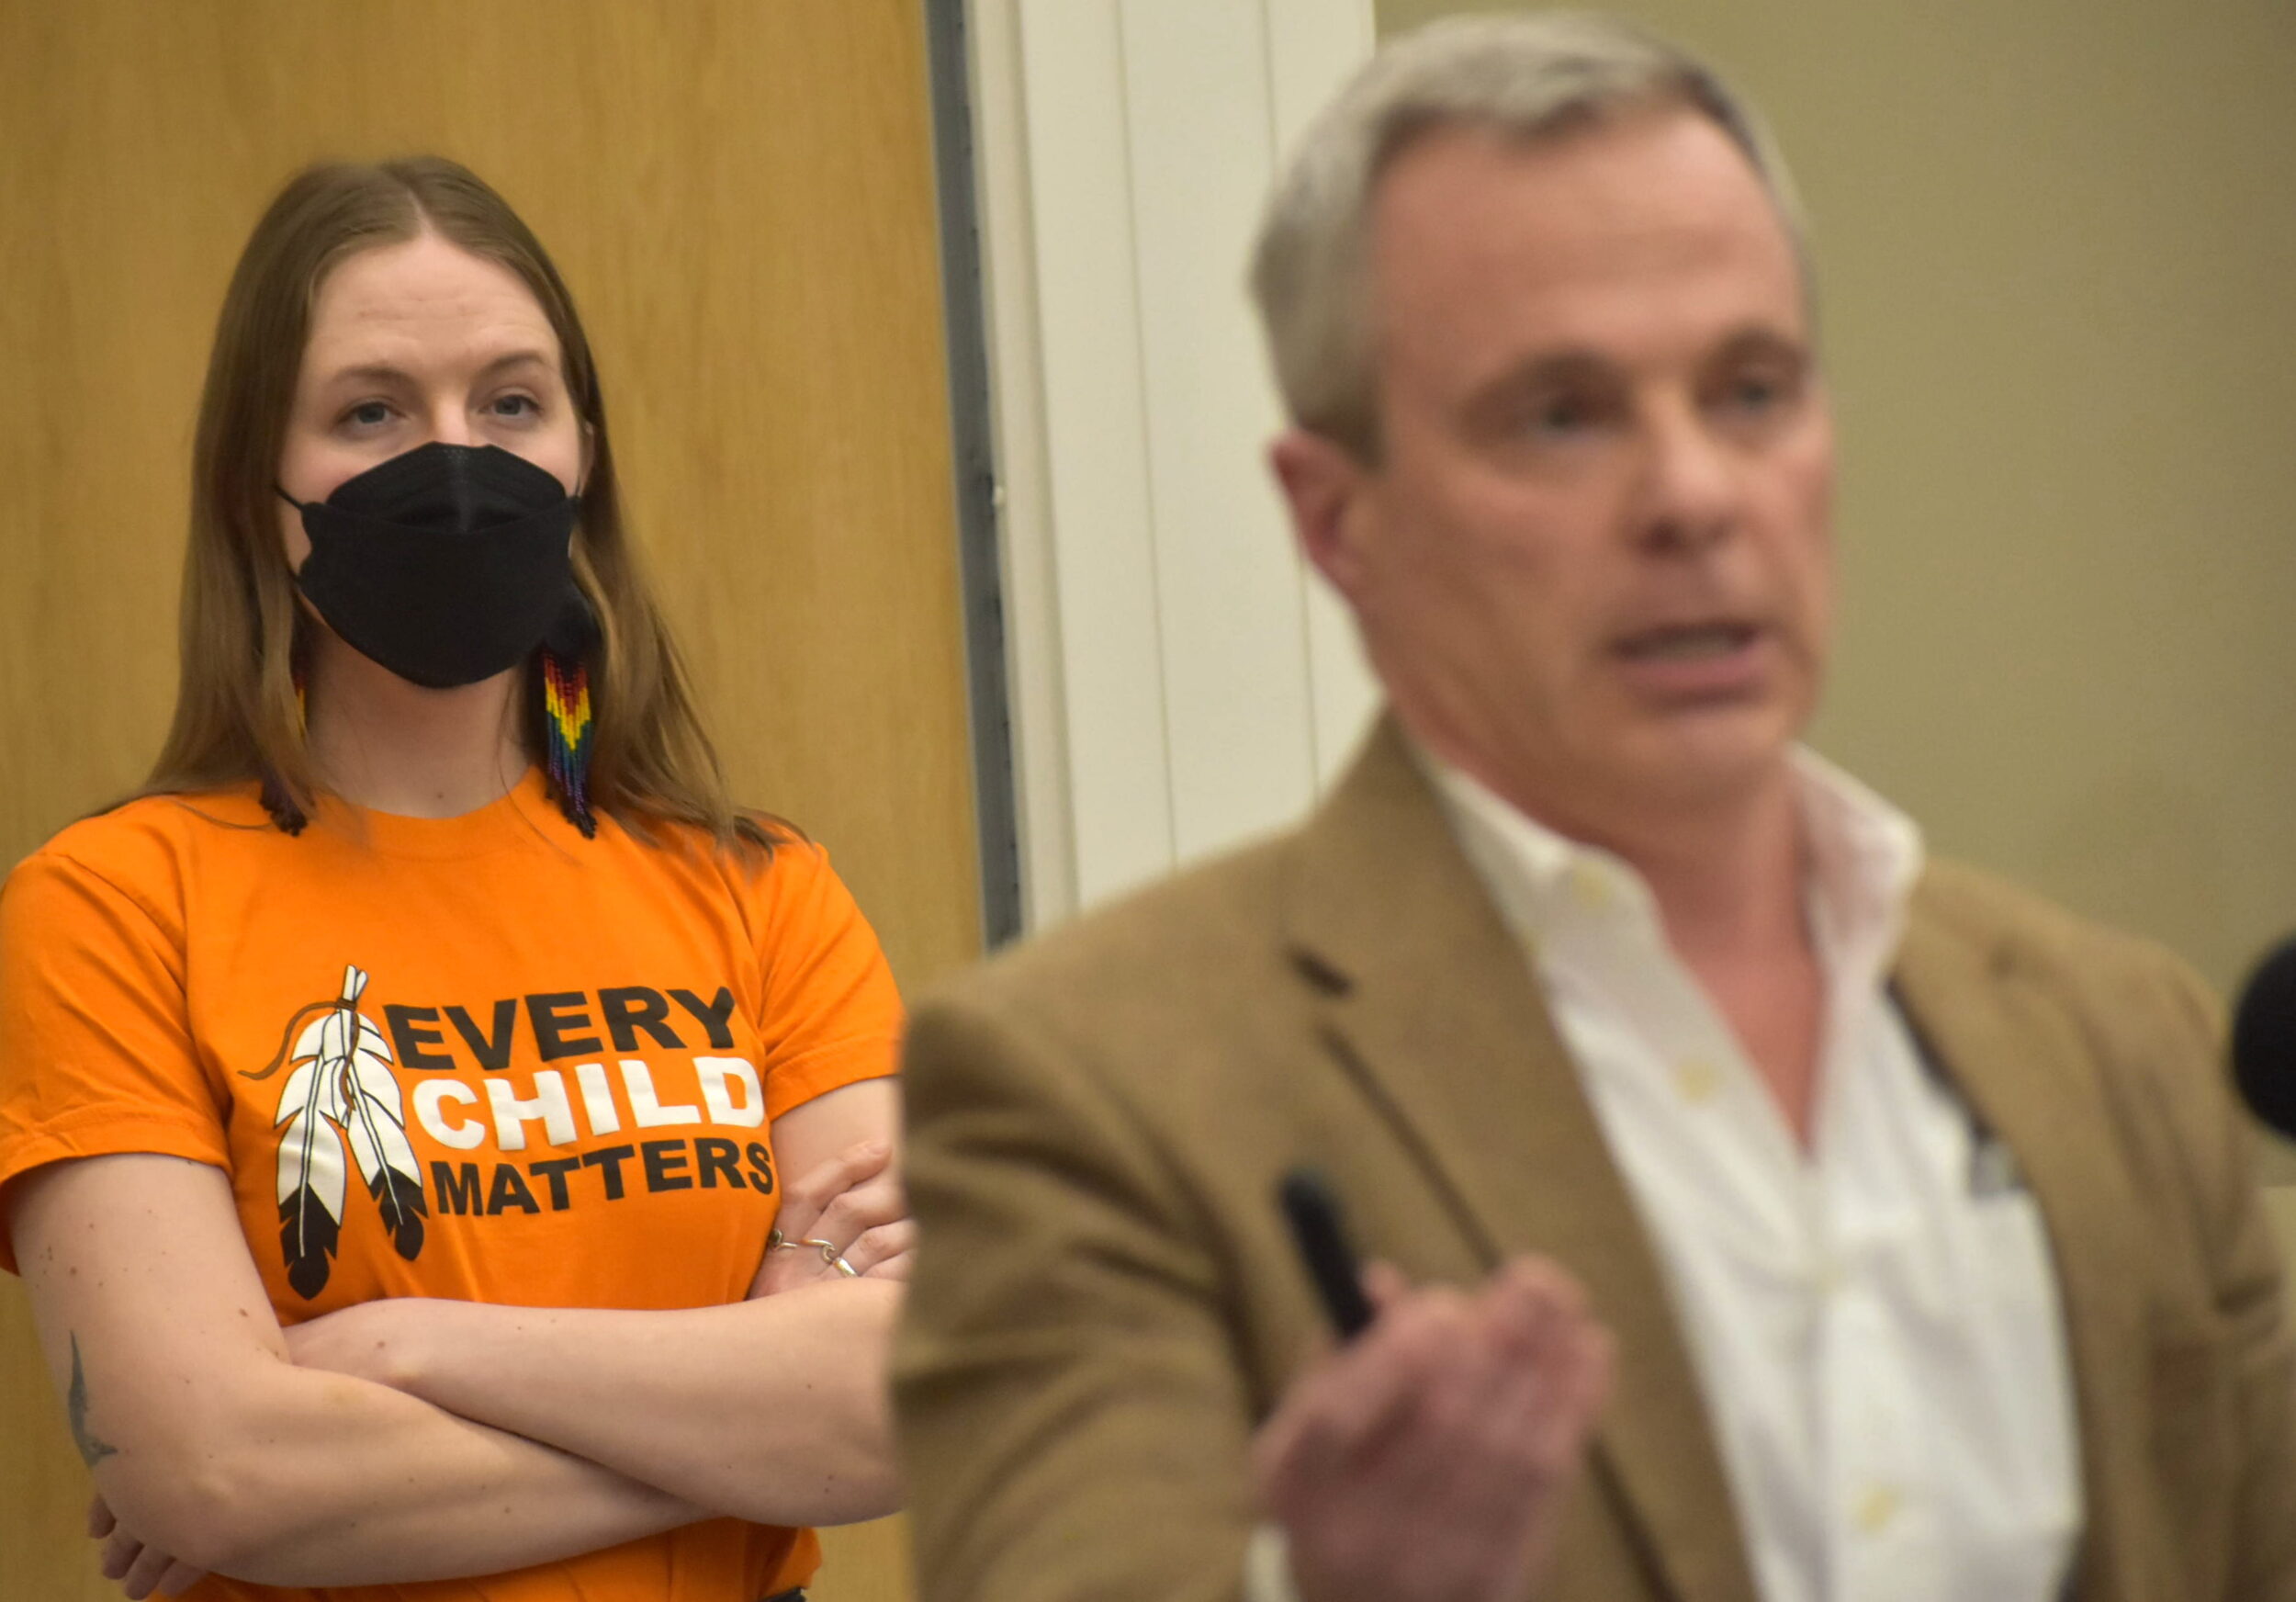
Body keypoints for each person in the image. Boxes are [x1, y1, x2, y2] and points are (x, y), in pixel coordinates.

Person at [890, 14, 2296, 1602]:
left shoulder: (2122, 1041)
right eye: (1562, 414)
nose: (1695, 495)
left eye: (1751, 390)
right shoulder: (1091, 1089)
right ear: (1338, 519)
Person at [0, 157, 912, 1602]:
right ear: (261, 486)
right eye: (373, 410)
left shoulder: (760, 891)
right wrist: (754, 1428)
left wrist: (394, 1348)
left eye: (509, 402)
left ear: (580, 453)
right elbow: (217, 1470)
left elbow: (912, 1398)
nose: (456, 460)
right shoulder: (111, 909)